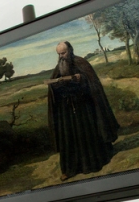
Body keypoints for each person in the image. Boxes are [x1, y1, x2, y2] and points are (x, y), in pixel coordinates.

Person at [46, 41, 120, 181]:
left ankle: (92, 164)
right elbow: (53, 88)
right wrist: (57, 85)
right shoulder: (59, 67)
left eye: (64, 53)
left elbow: (91, 83)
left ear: (70, 50)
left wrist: (81, 79)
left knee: (87, 134)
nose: (61, 56)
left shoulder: (81, 62)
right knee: (69, 138)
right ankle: (69, 169)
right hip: (67, 110)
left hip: (83, 107)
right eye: (59, 54)